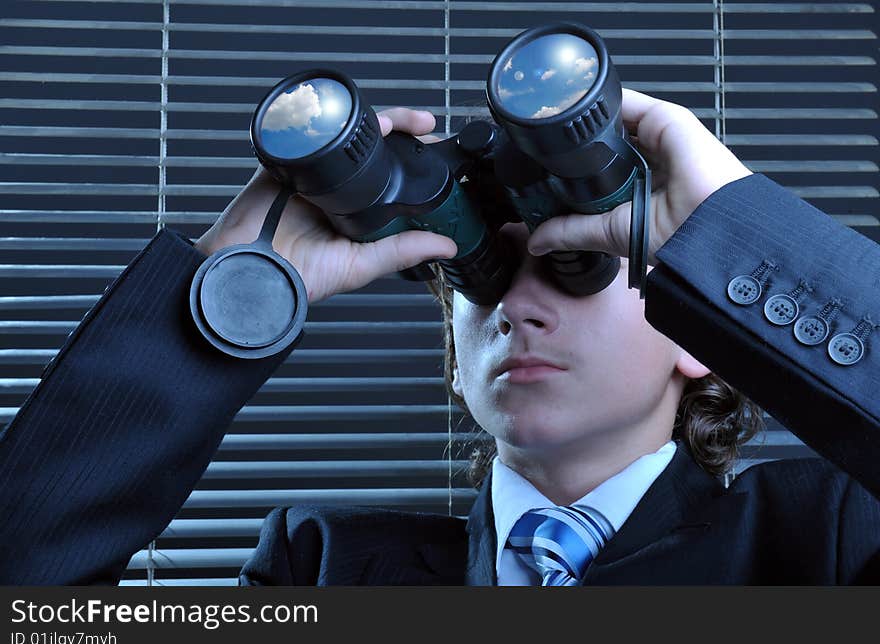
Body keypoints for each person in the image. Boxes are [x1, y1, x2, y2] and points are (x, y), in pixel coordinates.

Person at [0, 90, 877, 585]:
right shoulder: (323, 568)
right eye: (480, 276)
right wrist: (224, 297)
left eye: (579, 266)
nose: (515, 307)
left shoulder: (826, 539)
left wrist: (725, 237)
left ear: (700, 339)